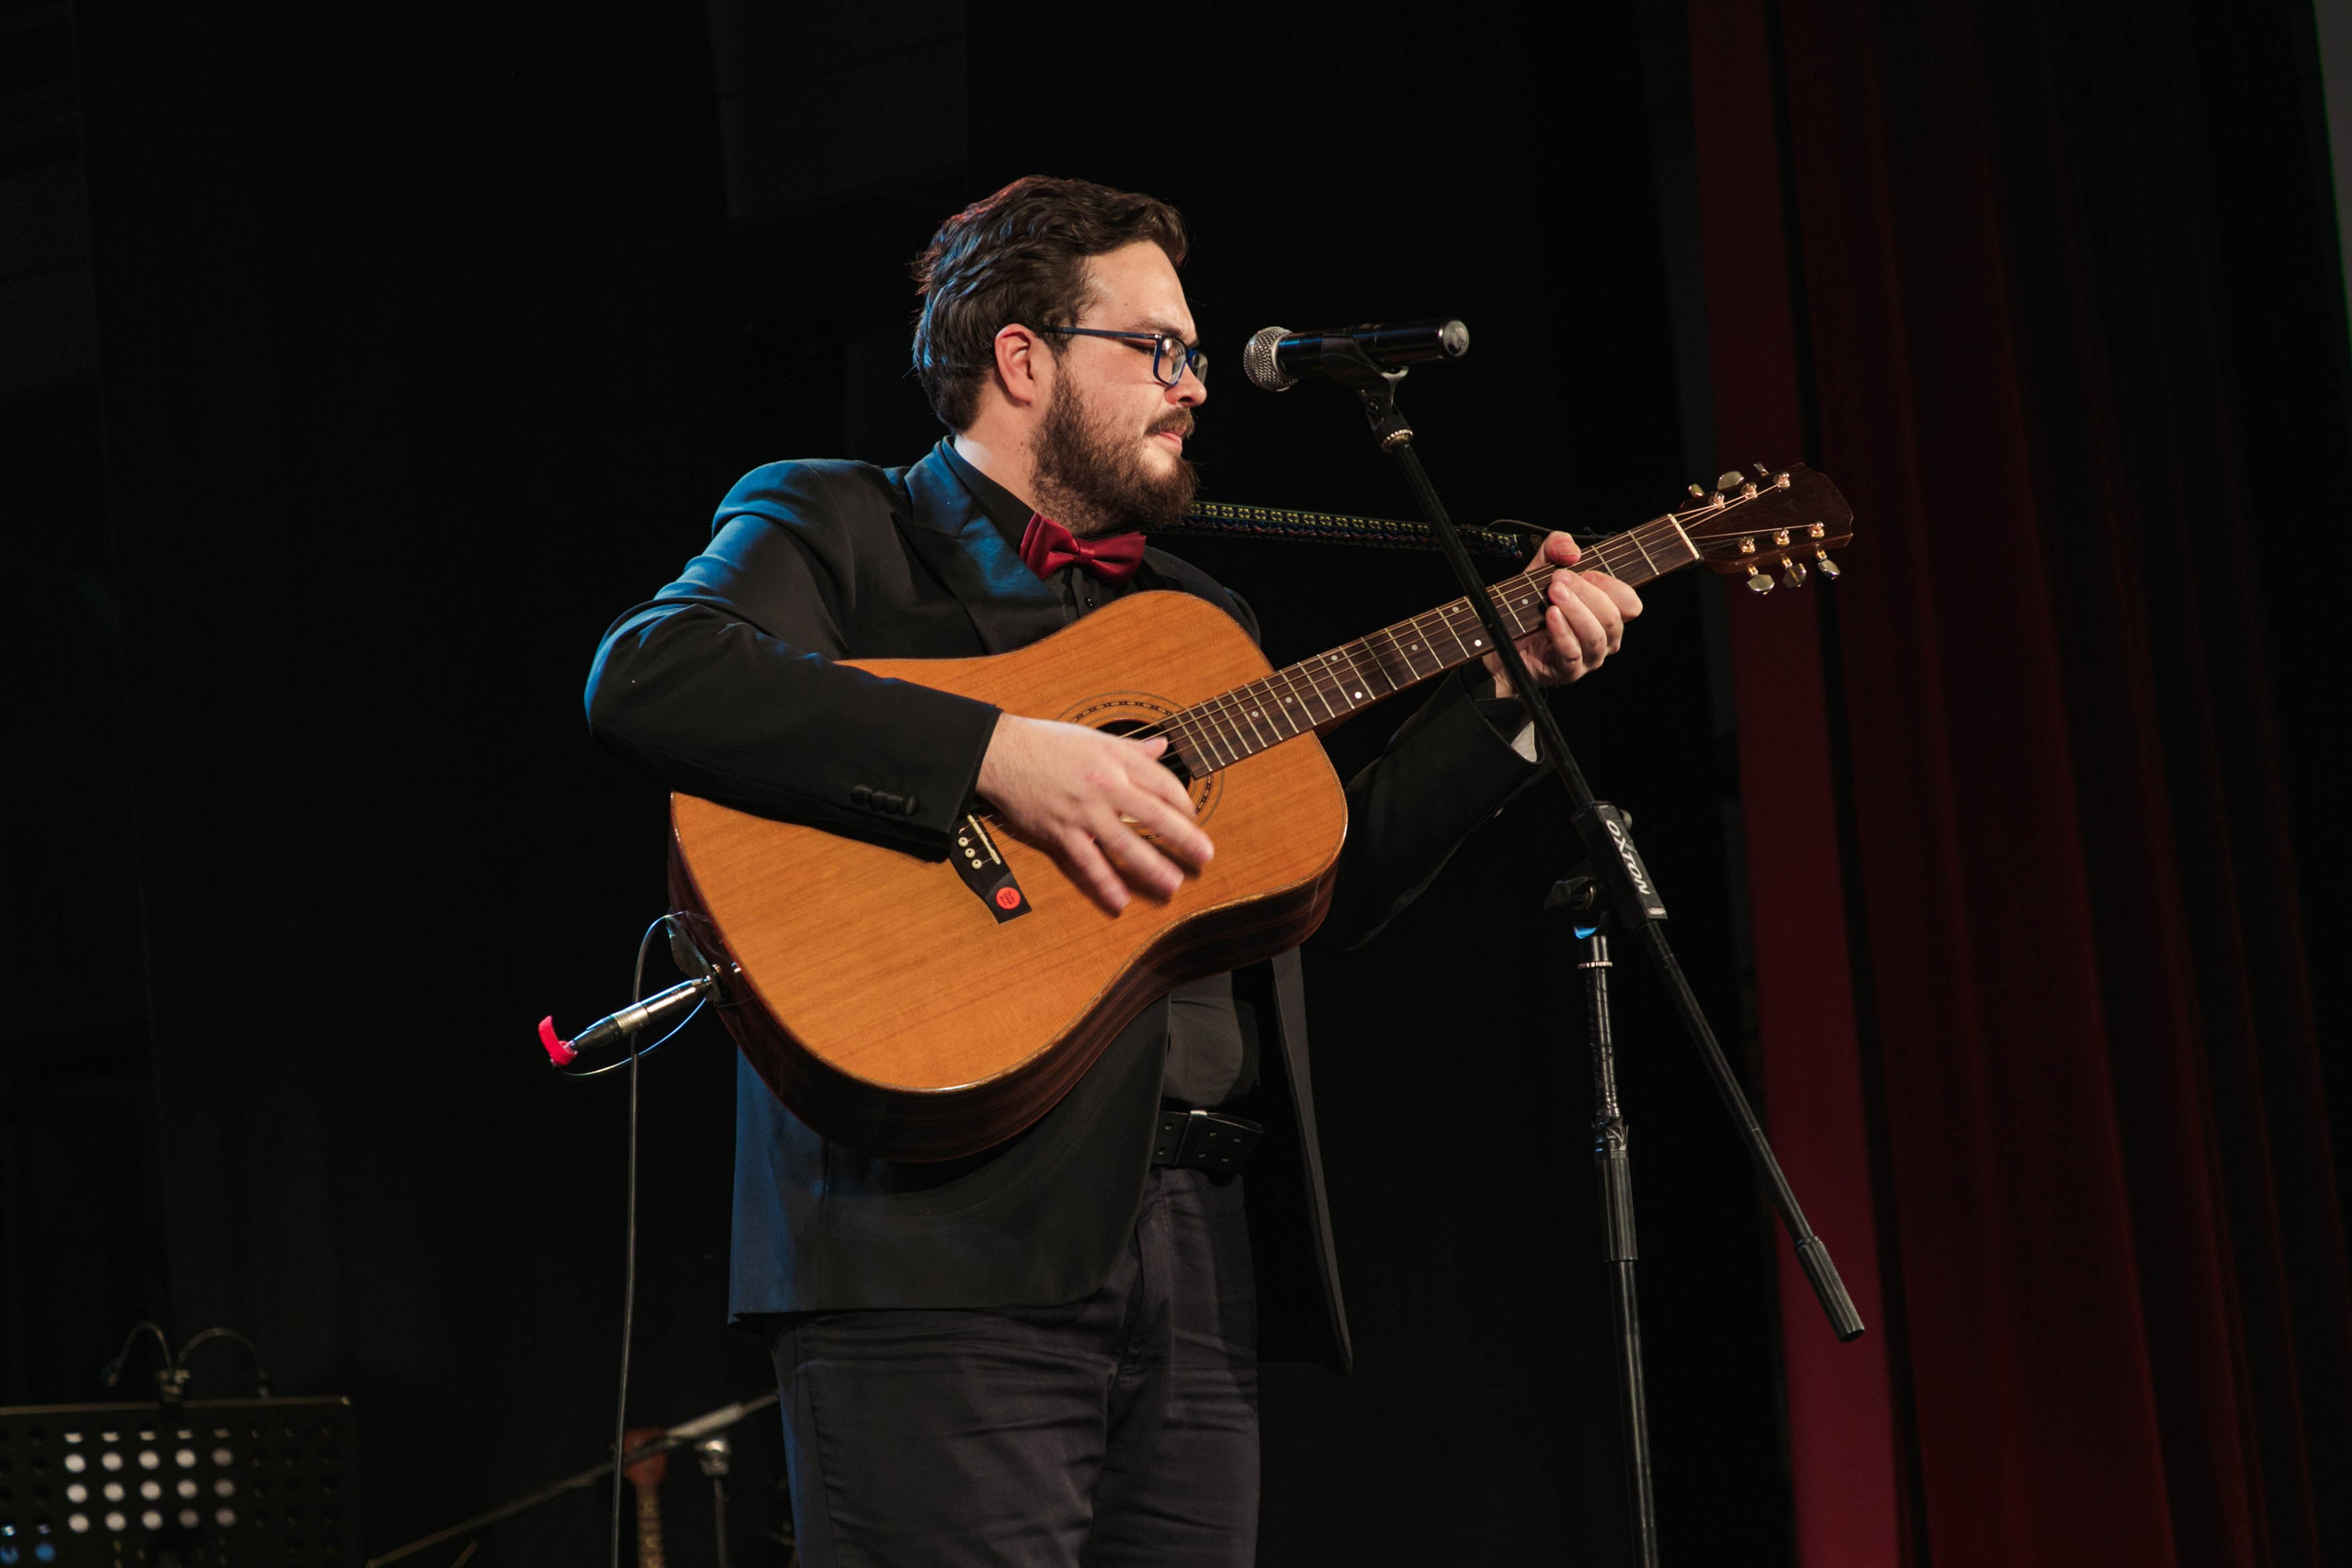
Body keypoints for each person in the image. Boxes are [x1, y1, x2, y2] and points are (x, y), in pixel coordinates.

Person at [584, 175, 1642, 1567]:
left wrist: (1507, 699)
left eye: (1194, 353)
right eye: (1159, 348)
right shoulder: (838, 527)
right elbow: (653, 676)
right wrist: (997, 756)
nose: (1194, 385)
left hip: (1195, 1255)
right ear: (1022, 359)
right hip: (935, 1246)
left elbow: (1322, 885)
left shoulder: (1198, 619)